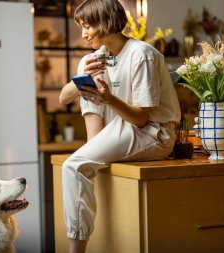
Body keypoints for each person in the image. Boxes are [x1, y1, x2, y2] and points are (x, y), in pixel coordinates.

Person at [59, 0, 181, 252]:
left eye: (87, 26)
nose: (83, 34)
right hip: (116, 131)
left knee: (73, 165)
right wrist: (81, 81)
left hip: (153, 133)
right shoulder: (93, 58)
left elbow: (141, 119)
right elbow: (63, 98)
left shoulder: (141, 54)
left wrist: (108, 98)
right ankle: (95, 148)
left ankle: (75, 249)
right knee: (86, 81)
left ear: (105, 22)